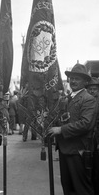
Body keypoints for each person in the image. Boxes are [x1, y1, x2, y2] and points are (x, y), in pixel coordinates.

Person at [47, 63, 96, 195]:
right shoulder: (67, 98)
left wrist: (61, 130)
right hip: (65, 149)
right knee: (67, 187)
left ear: (85, 81)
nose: (73, 81)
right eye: (72, 78)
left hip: (78, 151)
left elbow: (86, 124)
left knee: (81, 188)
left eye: (77, 78)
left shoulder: (88, 99)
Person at [86, 77, 99, 195]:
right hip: (88, 140)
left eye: (95, 89)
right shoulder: (87, 102)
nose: (92, 91)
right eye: (90, 89)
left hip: (97, 139)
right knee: (88, 166)